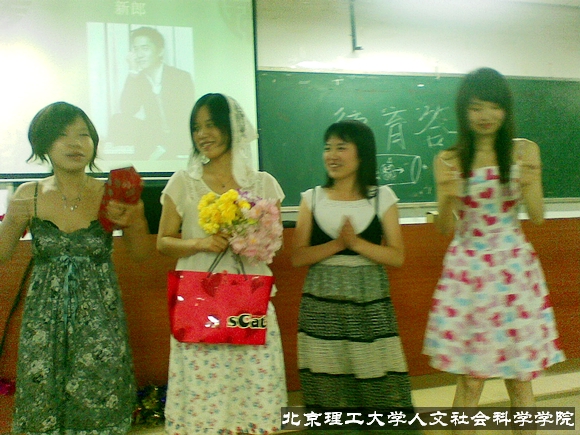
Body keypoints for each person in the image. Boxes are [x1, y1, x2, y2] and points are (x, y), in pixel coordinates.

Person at [422, 68, 565, 434]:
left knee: (520, 379)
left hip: (513, 269)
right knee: (471, 380)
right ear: (463, 112)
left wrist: (532, 181)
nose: (485, 115)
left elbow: (537, 217)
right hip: (468, 271)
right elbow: (444, 227)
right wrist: (447, 197)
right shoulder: (448, 159)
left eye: (493, 106)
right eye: (475, 107)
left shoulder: (524, 151)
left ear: (505, 109)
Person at [0, 102, 152, 434]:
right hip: (44, 320)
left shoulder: (111, 193)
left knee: (98, 397)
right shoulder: (29, 196)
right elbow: (2, 252)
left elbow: (141, 254)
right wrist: (9, 219)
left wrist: (136, 217)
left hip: (99, 318)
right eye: (62, 135)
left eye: (83, 135)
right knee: (43, 399)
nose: (75, 143)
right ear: (43, 144)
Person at [156, 93, 287, 433]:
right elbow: (163, 242)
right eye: (196, 127)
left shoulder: (263, 183)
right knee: (205, 388)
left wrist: (250, 240)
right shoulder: (184, 182)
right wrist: (200, 243)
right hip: (200, 300)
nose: (203, 134)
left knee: (254, 382)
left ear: (232, 128)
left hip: (249, 298)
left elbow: (274, 243)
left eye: (211, 125)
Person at [291, 120, 414, 410]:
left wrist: (356, 243)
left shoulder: (382, 198)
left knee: (377, 379)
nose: (332, 155)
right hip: (321, 310)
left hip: (369, 307)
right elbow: (298, 257)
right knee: (327, 381)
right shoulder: (311, 199)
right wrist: (338, 244)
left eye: (341, 148)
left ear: (362, 154)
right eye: (328, 148)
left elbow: (396, 256)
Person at [108, 26, 195, 160]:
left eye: (145, 48)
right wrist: (133, 71)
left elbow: (186, 116)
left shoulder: (180, 77)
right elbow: (127, 109)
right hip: (154, 137)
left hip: (179, 136)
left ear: (160, 51)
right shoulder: (138, 79)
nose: (139, 55)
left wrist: (166, 146)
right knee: (118, 119)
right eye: (136, 49)